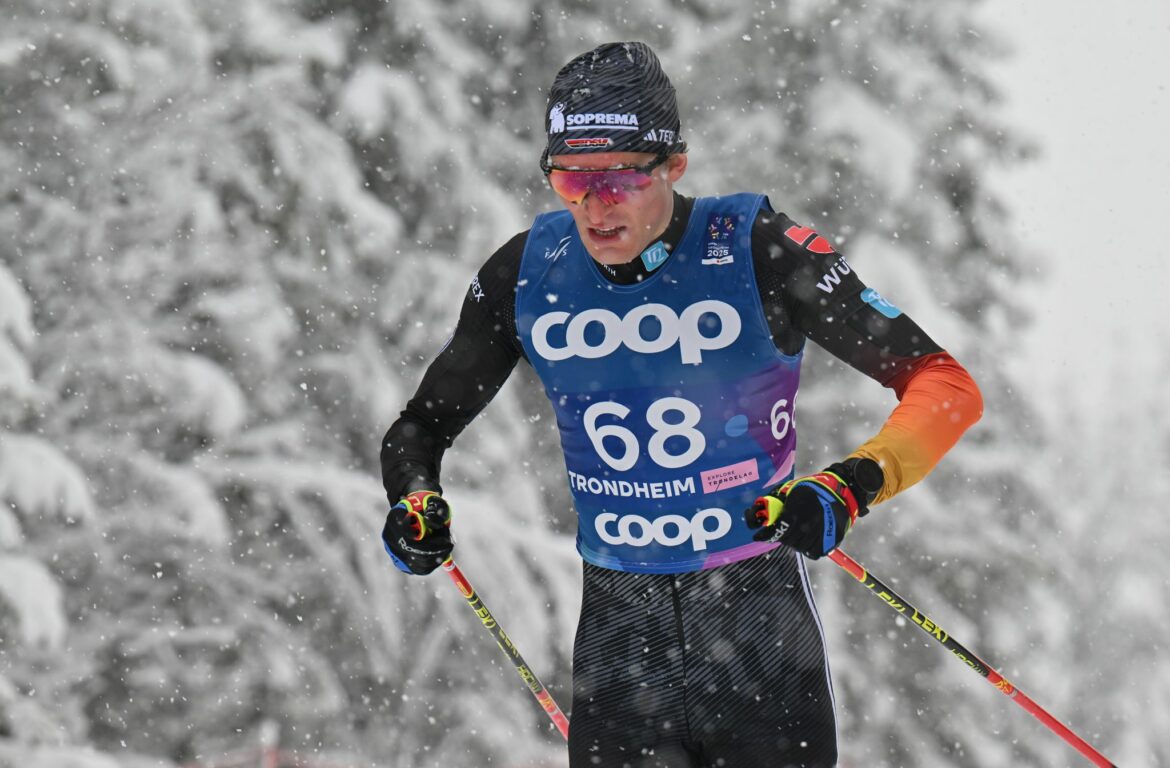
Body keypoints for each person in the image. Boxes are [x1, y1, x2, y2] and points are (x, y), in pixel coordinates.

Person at [380, 41, 982, 768]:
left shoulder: (754, 247)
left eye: (620, 179)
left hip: (760, 641)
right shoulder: (527, 272)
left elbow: (946, 386)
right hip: (619, 649)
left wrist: (847, 488)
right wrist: (415, 500)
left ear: (673, 165)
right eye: (572, 179)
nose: (594, 206)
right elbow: (423, 426)